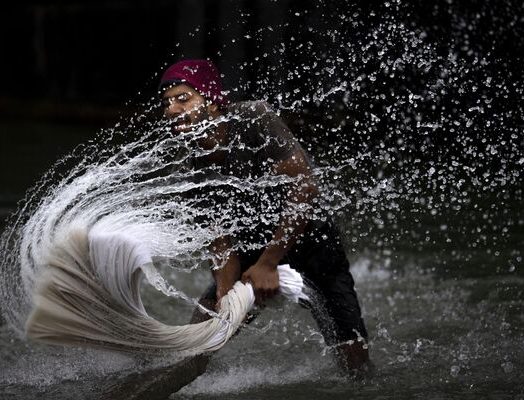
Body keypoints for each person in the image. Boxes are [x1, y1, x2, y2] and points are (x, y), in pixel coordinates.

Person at [158, 59, 371, 378]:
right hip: (250, 253)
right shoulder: (190, 166)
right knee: (198, 343)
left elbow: (304, 186)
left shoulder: (251, 118)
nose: (171, 110)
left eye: (183, 98)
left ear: (213, 103)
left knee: (355, 365)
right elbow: (220, 242)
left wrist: (269, 263)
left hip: (312, 244)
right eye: (167, 103)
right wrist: (226, 295)